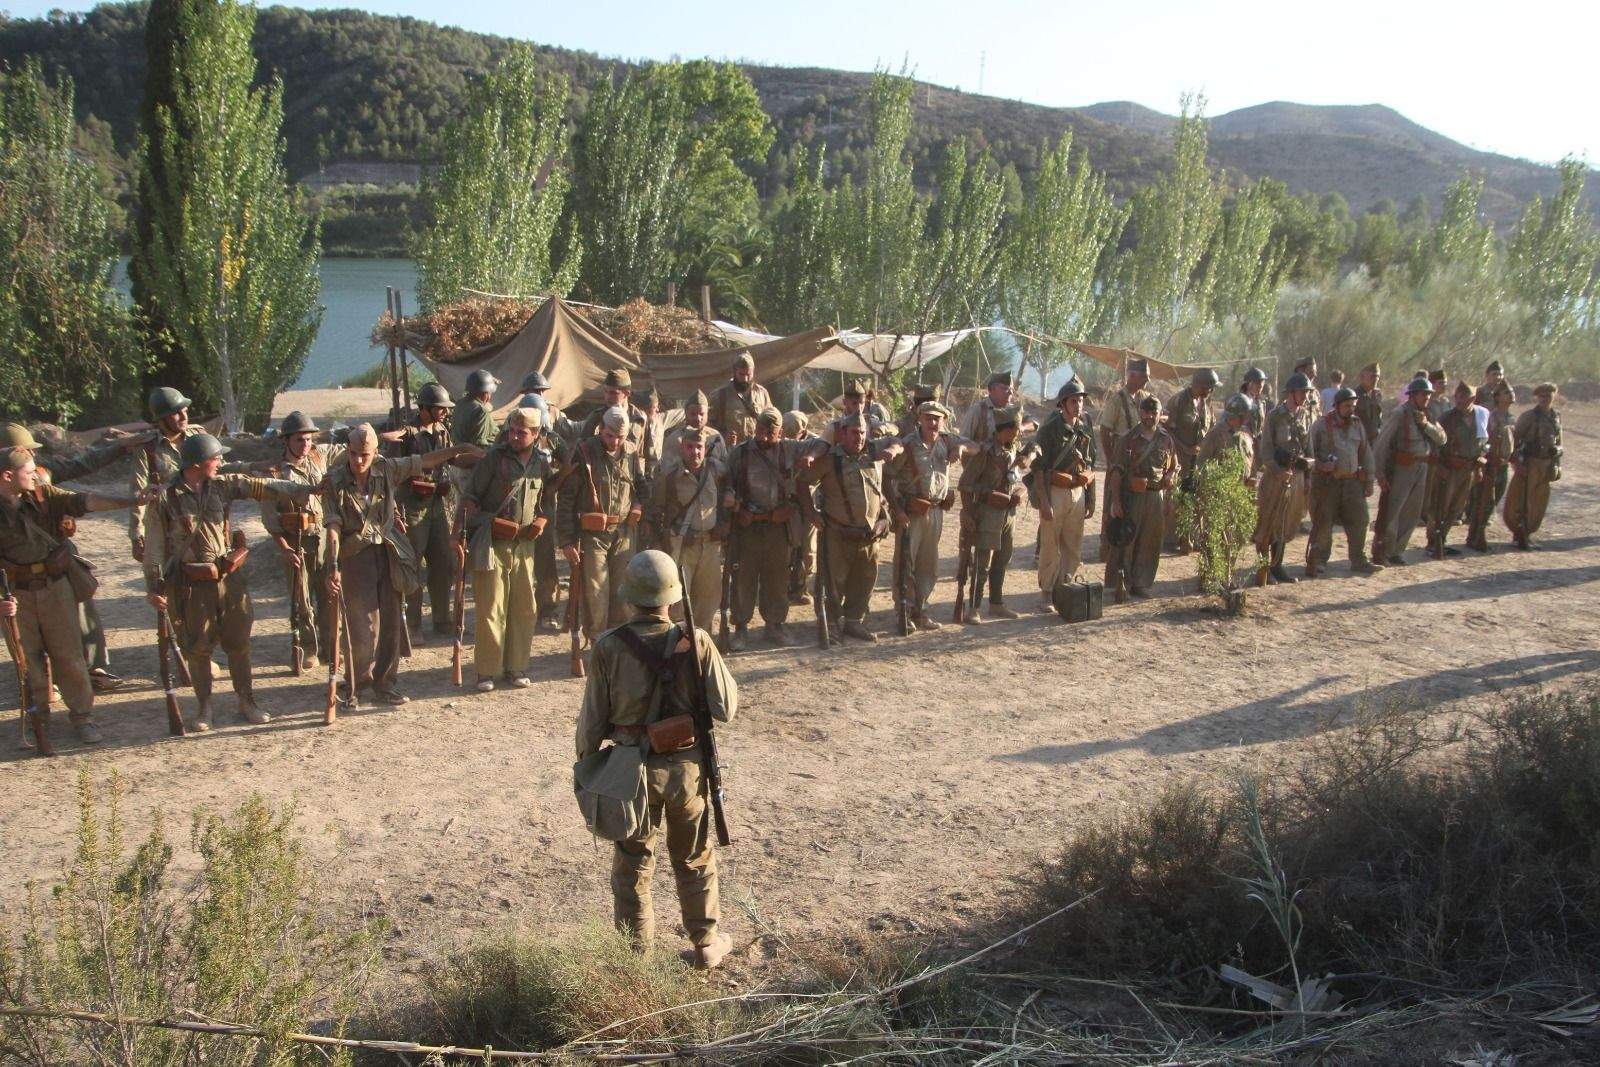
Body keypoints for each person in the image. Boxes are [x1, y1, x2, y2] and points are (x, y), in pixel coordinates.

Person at [574, 549, 738, 969]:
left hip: (632, 773)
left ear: (629, 596)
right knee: (695, 857)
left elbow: (592, 723)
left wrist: (589, 768)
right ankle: (705, 943)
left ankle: (635, 959)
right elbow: (726, 707)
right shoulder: (694, 640)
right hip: (687, 770)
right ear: (674, 596)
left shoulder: (609, 647)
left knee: (632, 865)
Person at [145, 434, 313, 730]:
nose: (221, 461)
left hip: (227, 578)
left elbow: (262, 487)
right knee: (198, 648)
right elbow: (155, 547)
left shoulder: (222, 485)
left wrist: (303, 490)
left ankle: (247, 701)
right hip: (190, 585)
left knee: (239, 642)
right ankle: (204, 707)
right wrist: (154, 586)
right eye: (216, 457)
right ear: (197, 463)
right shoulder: (165, 499)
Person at [325, 424, 480, 706]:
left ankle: (385, 684)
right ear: (347, 451)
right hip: (354, 556)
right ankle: (358, 684)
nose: (359, 461)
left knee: (391, 622)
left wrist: (458, 450)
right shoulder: (335, 480)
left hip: (388, 552)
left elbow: (422, 462)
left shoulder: (386, 469)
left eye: (365, 455)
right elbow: (333, 524)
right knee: (361, 627)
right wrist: (333, 563)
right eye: (354, 454)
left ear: (374, 453)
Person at [0, 450, 142, 746]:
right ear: (7, 476)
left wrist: (132, 501)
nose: (37, 475)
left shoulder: (43, 495)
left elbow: (85, 501)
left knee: (69, 656)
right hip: (14, 595)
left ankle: (83, 718)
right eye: (29, 470)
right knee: (28, 664)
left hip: (55, 588)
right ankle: (38, 720)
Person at [5, 422, 151, 690]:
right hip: (15, 571)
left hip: (59, 558)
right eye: (24, 450)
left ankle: (92, 668)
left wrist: (119, 447)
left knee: (83, 609)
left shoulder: (40, 476)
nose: (31, 456)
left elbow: (83, 465)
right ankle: (41, 683)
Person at [464, 407, 553, 692]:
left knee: (524, 608)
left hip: (525, 545)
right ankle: (487, 671)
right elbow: (469, 499)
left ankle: (517, 667)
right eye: (512, 430)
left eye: (522, 432)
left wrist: (541, 520)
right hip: (493, 544)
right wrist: (490, 523)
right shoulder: (494, 460)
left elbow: (545, 501)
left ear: (537, 435)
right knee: (492, 608)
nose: (515, 436)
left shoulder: (542, 463)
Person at [797, 412, 903, 642]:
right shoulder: (830, 458)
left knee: (864, 579)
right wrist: (811, 514)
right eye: (854, 433)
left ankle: (854, 621)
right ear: (843, 433)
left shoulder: (873, 453)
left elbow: (898, 442)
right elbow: (802, 482)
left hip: (869, 534)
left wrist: (892, 451)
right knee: (833, 582)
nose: (859, 438)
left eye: (863, 433)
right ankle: (832, 623)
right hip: (838, 532)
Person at [724, 408, 814, 648]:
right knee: (744, 577)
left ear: (781, 432)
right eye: (760, 431)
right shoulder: (740, 454)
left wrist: (810, 458)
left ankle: (774, 625)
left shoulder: (790, 448)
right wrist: (736, 509)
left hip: (778, 526)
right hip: (748, 527)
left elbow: (822, 444)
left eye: (770, 433)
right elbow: (726, 487)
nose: (763, 437)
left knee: (777, 577)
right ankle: (740, 628)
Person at [887, 401, 976, 629]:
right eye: (928, 418)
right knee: (905, 563)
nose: (932, 423)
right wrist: (897, 510)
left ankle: (921, 610)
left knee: (928, 565)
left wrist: (961, 449)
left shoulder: (947, 441)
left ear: (943, 421)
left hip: (936, 510)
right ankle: (903, 611)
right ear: (920, 419)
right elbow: (887, 478)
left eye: (937, 418)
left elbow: (976, 446)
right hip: (911, 512)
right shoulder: (908, 445)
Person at [559, 407, 645, 642]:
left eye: (620, 437)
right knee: (596, 591)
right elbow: (566, 499)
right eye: (610, 435)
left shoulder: (630, 452)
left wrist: (638, 506)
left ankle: (620, 639)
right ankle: (598, 640)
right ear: (601, 429)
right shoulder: (585, 452)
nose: (615, 442)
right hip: (593, 534)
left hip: (624, 532)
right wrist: (566, 540)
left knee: (623, 590)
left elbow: (641, 486)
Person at [390, 382, 468, 638]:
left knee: (443, 562)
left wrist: (478, 457)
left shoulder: (442, 431)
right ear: (425, 408)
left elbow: (453, 458)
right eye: (440, 408)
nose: (444, 412)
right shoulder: (407, 434)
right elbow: (391, 471)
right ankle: (411, 626)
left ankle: (442, 620)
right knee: (412, 564)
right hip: (411, 507)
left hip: (436, 505)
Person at [262, 411, 336, 670]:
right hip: (296, 542)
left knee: (328, 593)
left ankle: (330, 645)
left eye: (308, 439)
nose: (305, 445)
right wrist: (284, 549)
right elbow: (271, 520)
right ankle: (308, 646)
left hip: (323, 539)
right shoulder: (275, 473)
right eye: (299, 441)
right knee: (302, 600)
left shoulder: (318, 457)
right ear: (286, 441)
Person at [957, 407, 1038, 623]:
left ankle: (996, 603)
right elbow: (965, 484)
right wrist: (967, 511)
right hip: (987, 512)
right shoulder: (985, 452)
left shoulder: (1014, 449)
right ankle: (973, 607)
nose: (1018, 434)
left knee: (1002, 559)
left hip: (1008, 513)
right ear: (1005, 429)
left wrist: (1021, 487)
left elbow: (1035, 448)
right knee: (982, 562)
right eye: (1015, 430)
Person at [651, 427, 726, 640]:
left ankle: (703, 644)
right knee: (677, 601)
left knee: (708, 600)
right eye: (690, 447)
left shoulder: (717, 472)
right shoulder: (669, 476)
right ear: (682, 447)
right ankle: (678, 644)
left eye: (699, 447)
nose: (695, 452)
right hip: (682, 546)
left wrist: (723, 525)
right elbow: (656, 510)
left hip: (710, 545)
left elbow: (726, 501)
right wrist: (661, 544)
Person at [1029, 381, 1097, 603]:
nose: (1078, 405)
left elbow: (1091, 465)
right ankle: (1047, 592)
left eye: (1080, 401)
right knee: (1050, 545)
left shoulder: (1085, 427)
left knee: (1073, 544)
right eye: (1073, 401)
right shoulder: (1050, 429)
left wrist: (1091, 497)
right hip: (1055, 491)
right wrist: (1044, 502)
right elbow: (1038, 469)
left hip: (1078, 491)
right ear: (1063, 404)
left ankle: (1066, 589)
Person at [1104, 396, 1177, 601]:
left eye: (1154, 413)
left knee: (1151, 541)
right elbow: (1116, 472)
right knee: (1127, 541)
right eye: (1146, 412)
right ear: (1140, 412)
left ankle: (1142, 583)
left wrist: (1170, 478)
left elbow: (1173, 466)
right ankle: (1121, 584)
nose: (1149, 416)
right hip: (1132, 497)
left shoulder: (1166, 439)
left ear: (1160, 413)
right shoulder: (1127, 439)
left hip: (1156, 497)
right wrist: (1116, 501)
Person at [1371, 377, 1447, 565]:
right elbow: (1382, 444)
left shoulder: (1428, 415)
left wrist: (1425, 425)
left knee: (1412, 512)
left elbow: (1442, 438)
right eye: (1423, 394)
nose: (1427, 398)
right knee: (1393, 511)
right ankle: (1384, 551)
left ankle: (1397, 550)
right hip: (1401, 467)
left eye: (1428, 394)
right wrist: (1379, 473)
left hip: (1422, 466)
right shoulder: (1399, 414)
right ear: (1412, 395)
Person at [1306, 387, 1381, 577]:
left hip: (1352, 483)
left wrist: (1369, 480)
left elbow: (1366, 454)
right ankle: (1320, 560)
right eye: (1347, 406)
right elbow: (1308, 456)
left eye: (1353, 406)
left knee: (1361, 519)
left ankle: (1359, 560)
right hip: (1327, 484)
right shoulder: (1321, 426)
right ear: (1337, 406)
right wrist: (1322, 466)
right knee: (1323, 522)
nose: (1351, 409)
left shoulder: (1357, 425)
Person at [130, 386, 206, 563]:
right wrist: (136, 535)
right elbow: (138, 493)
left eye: (185, 411)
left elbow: (221, 469)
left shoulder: (199, 437)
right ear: (162, 419)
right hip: (167, 526)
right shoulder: (147, 449)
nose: (184, 417)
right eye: (176, 413)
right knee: (162, 579)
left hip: (203, 518)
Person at [1251, 372, 1314, 584]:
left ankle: (1277, 565)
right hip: (1275, 477)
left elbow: (1308, 448)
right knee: (1268, 522)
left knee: (1287, 522)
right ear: (1291, 393)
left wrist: (1307, 476)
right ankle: (1263, 569)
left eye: (1306, 392)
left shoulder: (1305, 415)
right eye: (1302, 392)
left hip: (1295, 477)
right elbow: (1266, 450)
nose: (1305, 396)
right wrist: (1278, 471)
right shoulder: (1275, 416)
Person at [1425, 382, 1488, 559]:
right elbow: (1436, 444)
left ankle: (1442, 539)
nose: (1459, 399)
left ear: (1472, 398)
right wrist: (1441, 465)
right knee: (1440, 506)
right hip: (1449, 469)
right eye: (1457, 396)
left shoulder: (1480, 417)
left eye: (1463, 396)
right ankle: (1433, 542)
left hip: (1468, 469)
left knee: (1457, 507)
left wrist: (1479, 463)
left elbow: (1483, 443)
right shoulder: (1447, 418)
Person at [1098, 359, 1150, 559]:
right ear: (1132, 375)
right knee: (1113, 503)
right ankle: (1107, 545)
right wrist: (1112, 461)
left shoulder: (1144, 399)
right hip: (1120, 459)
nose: (1147, 379)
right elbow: (1105, 431)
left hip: (1137, 462)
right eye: (1144, 375)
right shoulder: (1117, 400)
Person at [1504, 382, 1562, 550]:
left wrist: (1556, 463)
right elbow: (1515, 440)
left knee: (1539, 501)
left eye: (1548, 396)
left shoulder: (1556, 416)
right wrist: (1516, 463)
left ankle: (1528, 532)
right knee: (1522, 500)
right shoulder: (1529, 416)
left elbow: (1559, 441)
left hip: (1547, 463)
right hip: (1530, 463)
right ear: (1537, 397)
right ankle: (1519, 533)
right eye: (1542, 396)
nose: (1545, 399)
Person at [1166, 368, 1219, 550]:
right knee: (1179, 498)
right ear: (1200, 385)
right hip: (1180, 458)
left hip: (1199, 459)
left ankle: (1190, 536)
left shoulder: (1206, 403)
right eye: (1209, 387)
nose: (1211, 391)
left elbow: (1211, 427)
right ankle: (1178, 537)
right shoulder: (1179, 401)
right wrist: (1184, 447)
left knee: (1195, 497)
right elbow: (1167, 430)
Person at [1466, 381, 1515, 552]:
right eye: (1506, 392)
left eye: (1511, 392)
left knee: (1494, 501)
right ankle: (1475, 535)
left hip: (1503, 466)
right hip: (1489, 466)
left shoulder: (1510, 418)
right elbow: (1482, 441)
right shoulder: (1491, 417)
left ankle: (1477, 534)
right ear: (1497, 397)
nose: (1510, 395)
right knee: (1483, 502)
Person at [782, 410, 818, 605]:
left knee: (808, 549)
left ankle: (802, 587)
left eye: (793, 431)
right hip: (789, 502)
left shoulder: (814, 444)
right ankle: (785, 586)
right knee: (788, 546)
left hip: (809, 503)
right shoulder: (782, 444)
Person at [706, 352, 772, 447]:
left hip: (756, 450)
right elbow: (707, 425)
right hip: (730, 451)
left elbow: (771, 420)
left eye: (748, 374)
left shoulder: (762, 394)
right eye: (741, 374)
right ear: (734, 372)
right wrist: (722, 437)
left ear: (753, 372)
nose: (745, 379)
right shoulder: (719, 395)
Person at [661, 391, 729, 476]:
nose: (698, 418)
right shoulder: (674, 439)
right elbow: (667, 472)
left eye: (701, 414)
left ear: (707, 414)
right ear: (686, 413)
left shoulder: (716, 437)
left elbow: (725, 468)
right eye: (693, 414)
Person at [960, 370, 1035, 445]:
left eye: (1011, 390)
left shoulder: (1012, 411)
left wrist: (1022, 427)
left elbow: (1034, 423)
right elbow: (963, 441)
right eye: (1005, 389)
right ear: (992, 390)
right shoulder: (978, 410)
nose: (1010, 393)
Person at [1198, 394, 1259, 478]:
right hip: (1221, 489)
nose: (1249, 417)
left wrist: (1252, 479)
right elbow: (1201, 465)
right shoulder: (1215, 435)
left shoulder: (1246, 433)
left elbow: (1251, 462)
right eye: (1247, 414)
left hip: (1243, 489)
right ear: (1239, 416)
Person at [820, 379, 893, 443]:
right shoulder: (834, 428)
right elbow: (822, 447)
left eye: (862, 403)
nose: (859, 407)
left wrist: (881, 430)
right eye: (854, 403)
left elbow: (894, 427)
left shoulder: (870, 422)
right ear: (845, 402)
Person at [451, 368, 501, 450]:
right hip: (476, 457)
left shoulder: (460, 403)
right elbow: (479, 445)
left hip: (459, 452)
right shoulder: (481, 411)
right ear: (486, 394)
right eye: (490, 393)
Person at [1353, 363, 1384, 444]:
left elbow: (1379, 418)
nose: (1376, 379)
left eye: (1377, 376)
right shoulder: (1354, 395)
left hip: (1375, 440)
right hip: (1359, 440)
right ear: (1362, 377)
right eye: (1372, 376)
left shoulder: (1377, 395)